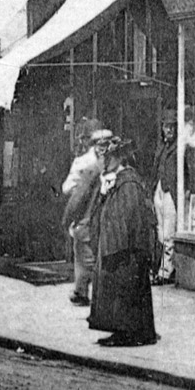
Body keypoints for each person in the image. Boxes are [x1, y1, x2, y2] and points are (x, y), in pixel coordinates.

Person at [87, 136, 160, 347]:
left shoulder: (128, 183)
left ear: (118, 159)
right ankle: (126, 332)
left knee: (124, 291)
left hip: (125, 251)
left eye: (107, 158)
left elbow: (127, 219)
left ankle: (127, 333)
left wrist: (113, 248)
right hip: (121, 249)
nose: (103, 162)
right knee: (124, 292)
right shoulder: (119, 181)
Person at [62, 127, 114, 307]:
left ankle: (84, 292)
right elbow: (69, 189)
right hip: (89, 213)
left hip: (100, 215)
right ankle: (82, 291)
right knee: (86, 255)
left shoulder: (110, 163)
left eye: (107, 144)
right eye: (100, 145)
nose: (103, 148)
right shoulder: (85, 163)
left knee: (89, 255)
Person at [149, 114, 179, 285]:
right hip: (159, 190)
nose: (169, 130)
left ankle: (166, 271)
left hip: (170, 192)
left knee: (169, 233)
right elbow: (155, 170)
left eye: (172, 126)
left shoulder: (178, 147)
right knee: (160, 231)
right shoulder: (161, 147)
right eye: (167, 126)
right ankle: (159, 267)